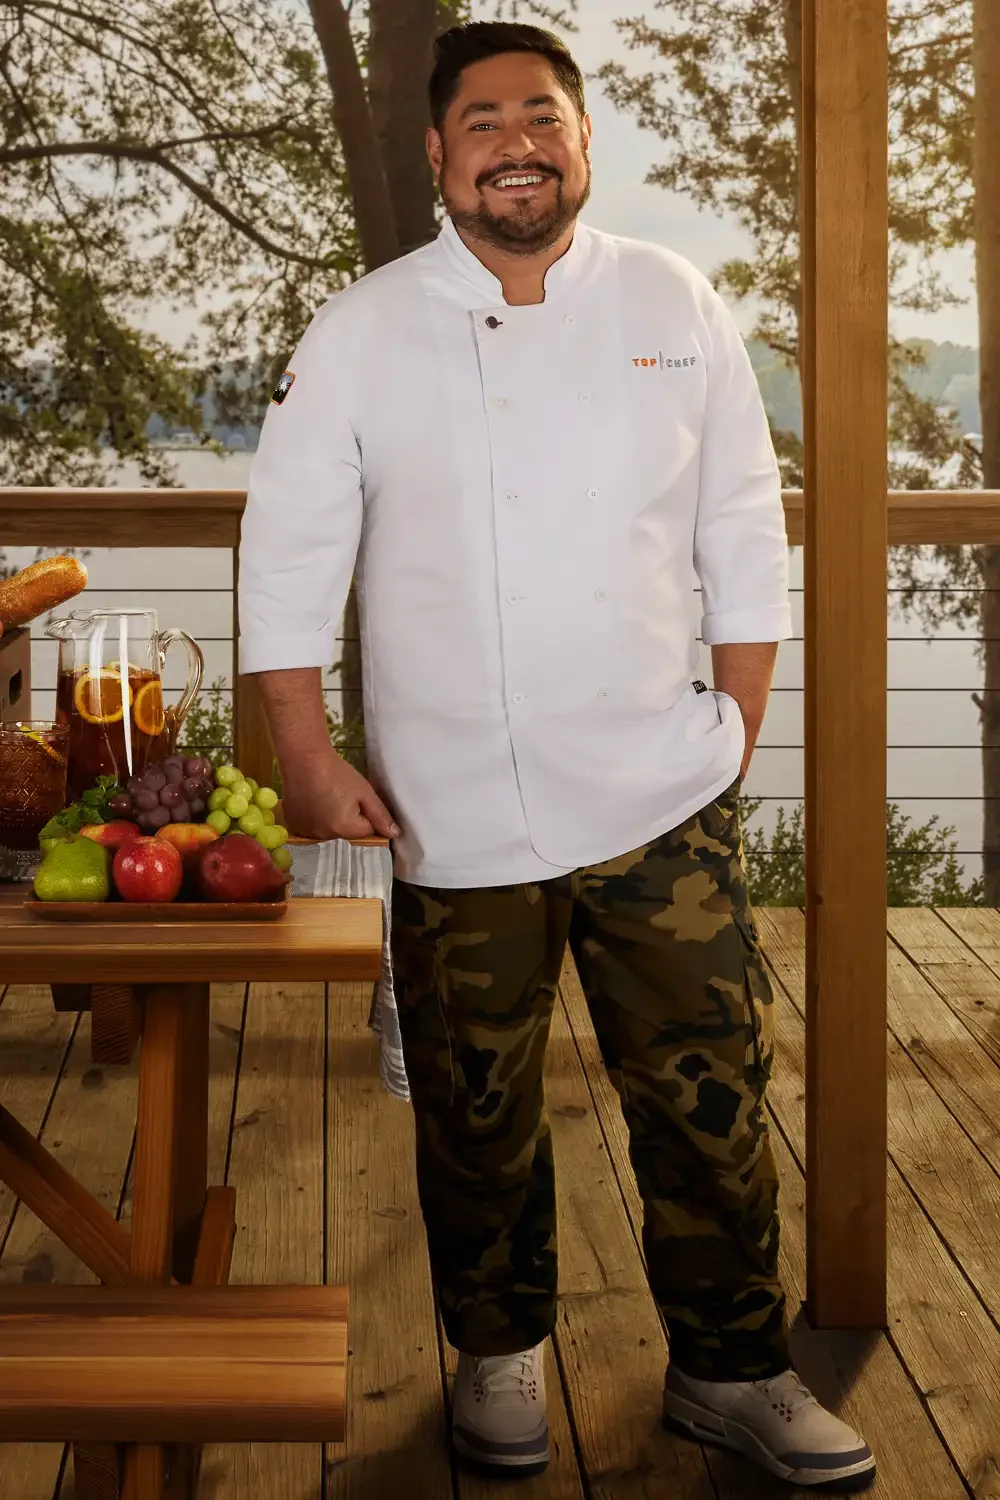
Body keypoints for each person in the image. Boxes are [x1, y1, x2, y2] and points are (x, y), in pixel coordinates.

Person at [238, 19, 876, 1492]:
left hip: (660, 792)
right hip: (443, 806)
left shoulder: (674, 300)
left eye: (542, 113)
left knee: (709, 1094)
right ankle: (497, 1355)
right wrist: (299, 748)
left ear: (584, 142)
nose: (514, 141)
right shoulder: (363, 328)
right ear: (438, 154)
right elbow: (286, 552)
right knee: (476, 1113)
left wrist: (736, 731)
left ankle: (736, 1370)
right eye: (482, 120)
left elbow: (741, 526)